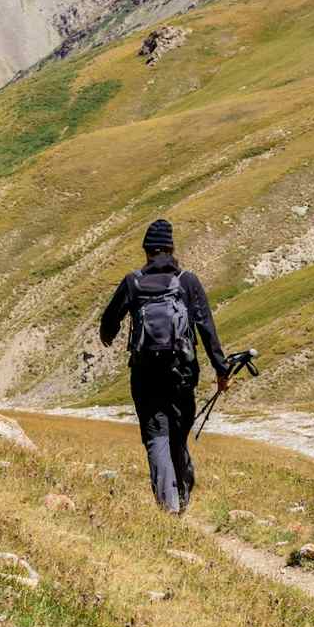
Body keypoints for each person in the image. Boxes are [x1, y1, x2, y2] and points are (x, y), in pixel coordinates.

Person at [98, 218, 228, 513]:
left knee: (156, 435)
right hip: (182, 372)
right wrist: (221, 371)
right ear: (171, 249)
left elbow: (108, 323)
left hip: (145, 374)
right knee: (178, 433)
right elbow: (207, 328)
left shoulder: (133, 282)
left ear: (146, 251)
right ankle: (182, 493)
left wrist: (109, 336)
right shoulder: (187, 281)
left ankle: (167, 505)